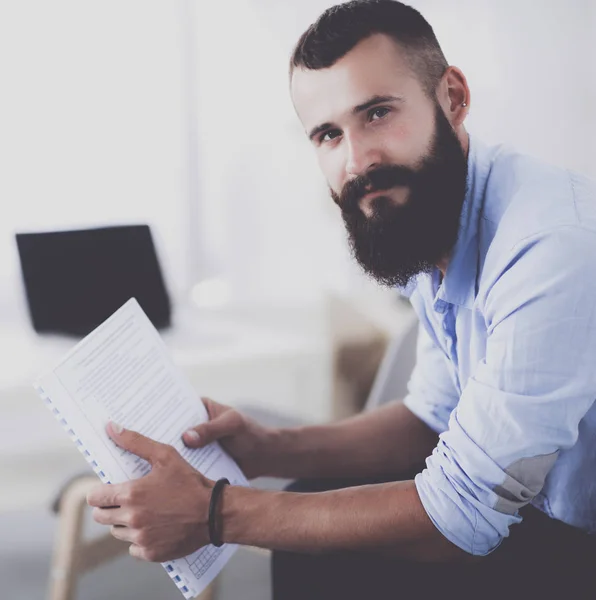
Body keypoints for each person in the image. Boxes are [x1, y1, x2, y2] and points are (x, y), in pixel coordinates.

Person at [87, 1, 596, 597]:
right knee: (309, 518)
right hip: (533, 509)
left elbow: (464, 516)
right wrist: (268, 449)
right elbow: (433, 419)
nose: (357, 162)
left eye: (377, 113)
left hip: (578, 541)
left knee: (315, 543)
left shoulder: (549, 245)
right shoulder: (433, 217)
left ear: (453, 97)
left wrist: (215, 513)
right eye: (329, 134)